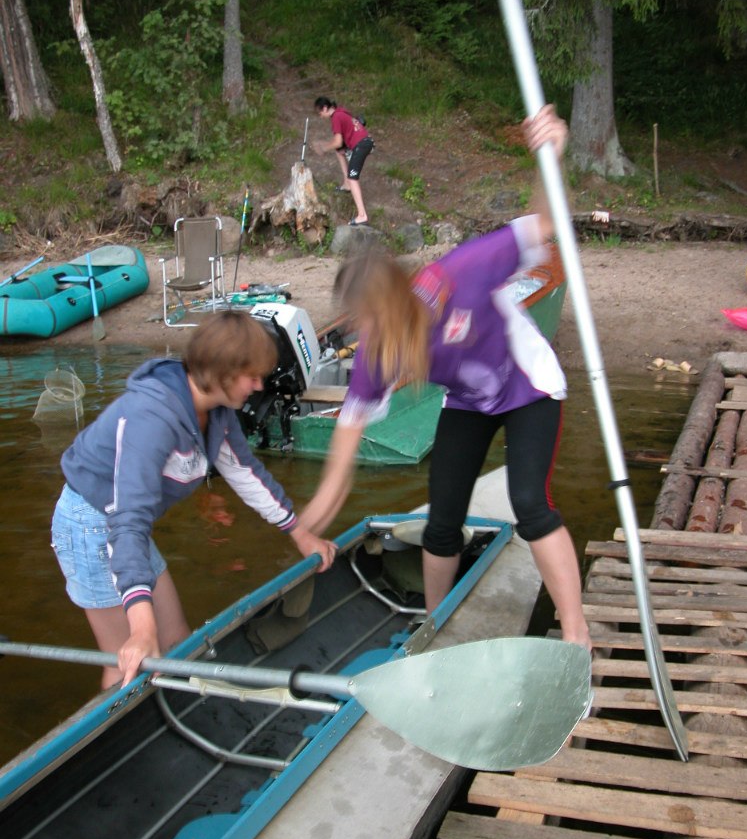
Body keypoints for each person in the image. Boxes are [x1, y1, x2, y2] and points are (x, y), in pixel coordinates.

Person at [300, 104, 592, 651]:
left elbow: (546, 223)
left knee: (529, 503)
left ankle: (577, 633)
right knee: (442, 520)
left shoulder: (465, 272)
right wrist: (303, 524)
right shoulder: (374, 355)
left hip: (528, 385)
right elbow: (341, 460)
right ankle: (436, 629)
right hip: (469, 400)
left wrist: (550, 154)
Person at [52, 311, 338, 690]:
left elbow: (245, 472)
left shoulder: (216, 412)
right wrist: (140, 628)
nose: (257, 385)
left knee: (176, 642)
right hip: (91, 525)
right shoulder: (151, 417)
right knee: (128, 660)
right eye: (251, 375)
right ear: (221, 372)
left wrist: (300, 533)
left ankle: (175, 712)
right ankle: (121, 737)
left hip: (124, 527)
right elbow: (129, 519)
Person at [312, 96, 374, 227]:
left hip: (361, 144)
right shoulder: (342, 112)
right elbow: (340, 144)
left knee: (353, 178)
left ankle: (362, 215)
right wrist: (328, 145)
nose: (320, 116)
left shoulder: (336, 117)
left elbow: (338, 141)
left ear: (325, 108)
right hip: (364, 142)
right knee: (339, 151)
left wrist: (323, 147)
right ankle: (346, 184)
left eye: (320, 113)